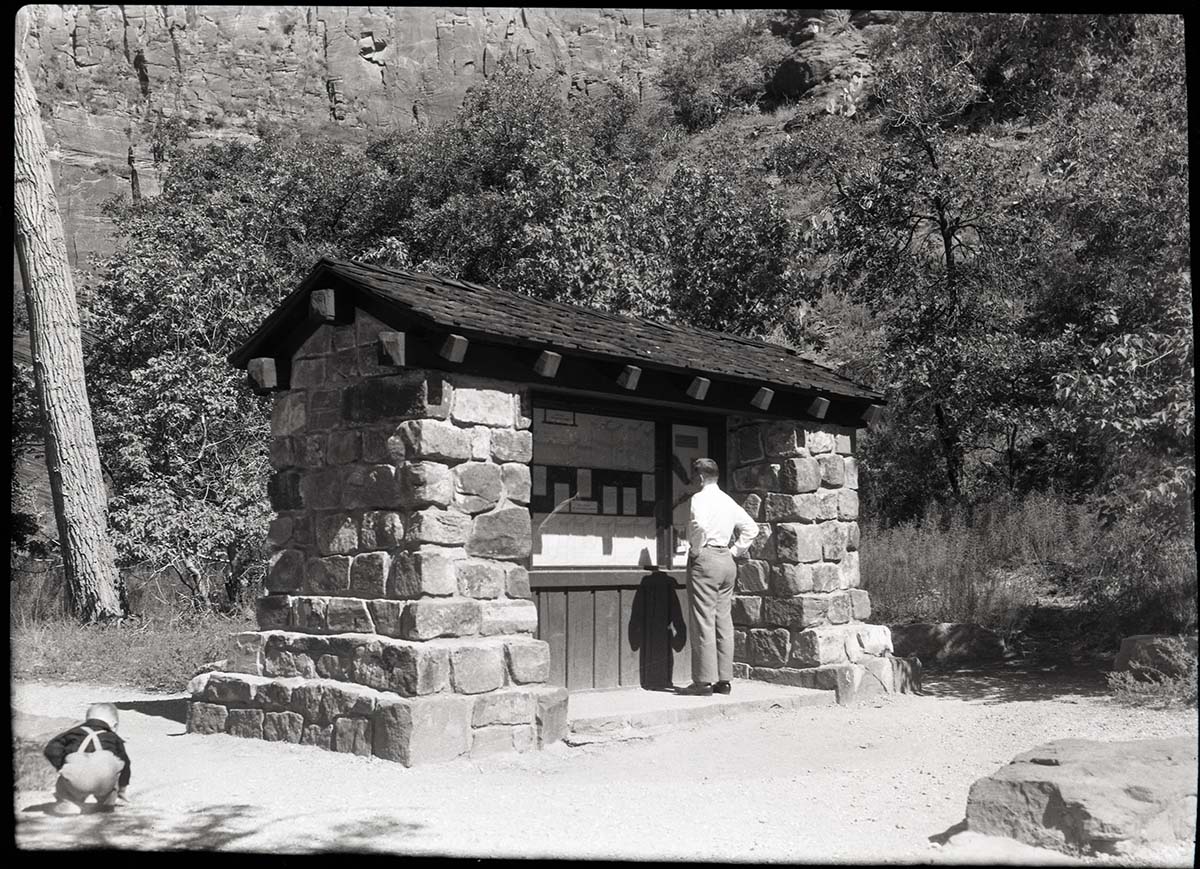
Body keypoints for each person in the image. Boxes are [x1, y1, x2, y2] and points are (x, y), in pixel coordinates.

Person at [677, 457, 759, 696]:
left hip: (706, 558)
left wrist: (695, 550)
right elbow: (751, 528)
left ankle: (702, 682)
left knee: (703, 619)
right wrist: (735, 551)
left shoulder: (699, 498)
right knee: (723, 619)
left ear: (700, 477)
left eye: (694, 477)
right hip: (726, 559)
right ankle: (724, 681)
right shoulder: (728, 500)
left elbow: (699, 526)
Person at [43, 702, 132, 815]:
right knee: (113, 775)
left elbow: (50, 749)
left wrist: (62, 765)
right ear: (114, 725)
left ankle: (69, 802)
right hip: (104, 784)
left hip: (75, 781)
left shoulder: (73, 733)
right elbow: (126, 765)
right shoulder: (114, 738)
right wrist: (122, 791)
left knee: (63, 781)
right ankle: (105, 805)